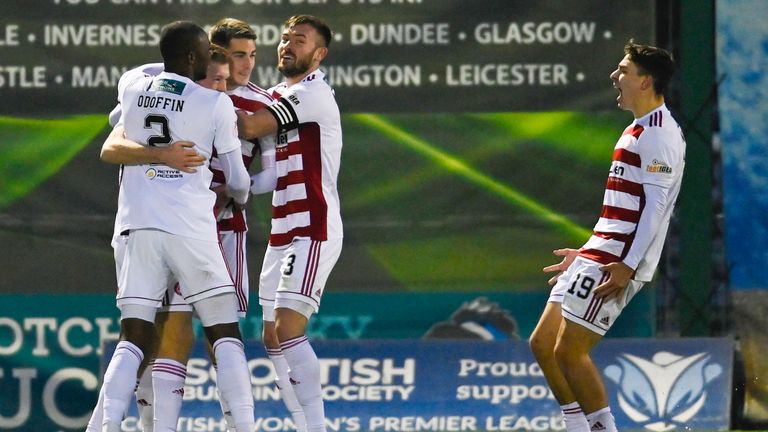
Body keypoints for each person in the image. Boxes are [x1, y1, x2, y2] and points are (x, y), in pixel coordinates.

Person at [93, 21, 255, 432]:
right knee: (224, 329)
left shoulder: (130, 85)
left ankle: (105, 426)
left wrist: (157, 153)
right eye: (203, 52)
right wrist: (235, 193)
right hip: (190, 228)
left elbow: (114, 141)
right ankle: (245, 426)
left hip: (137, 225)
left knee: (133, 335)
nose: (208, 58)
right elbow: (238, 180)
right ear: (190, 58)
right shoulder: (213, 104)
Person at [529, 40, 685, 432]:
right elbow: (624, 208)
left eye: (623, 72)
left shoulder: (660, 134)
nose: (615, 78)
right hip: (599, 251)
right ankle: (577, 426)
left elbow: (655, 208)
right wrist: (585, 251)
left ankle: (601, 428)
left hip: (617, 259)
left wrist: (627, 266)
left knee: (570, 351)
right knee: (543, 344)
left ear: (645, 81)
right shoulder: (636, 129)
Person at [237, 15, 343, 432]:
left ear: (319, 54)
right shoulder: (279, 94)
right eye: (283, 39)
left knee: (288, 328)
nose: (287, 45)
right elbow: (268, 176)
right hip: (283, 226)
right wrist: (232, 186)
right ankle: (303, 425)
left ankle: (316, 427)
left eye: (299, 40)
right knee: (271, 337)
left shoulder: (312, 94)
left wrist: (206, 98)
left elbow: (248, 125)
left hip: (314, 226)